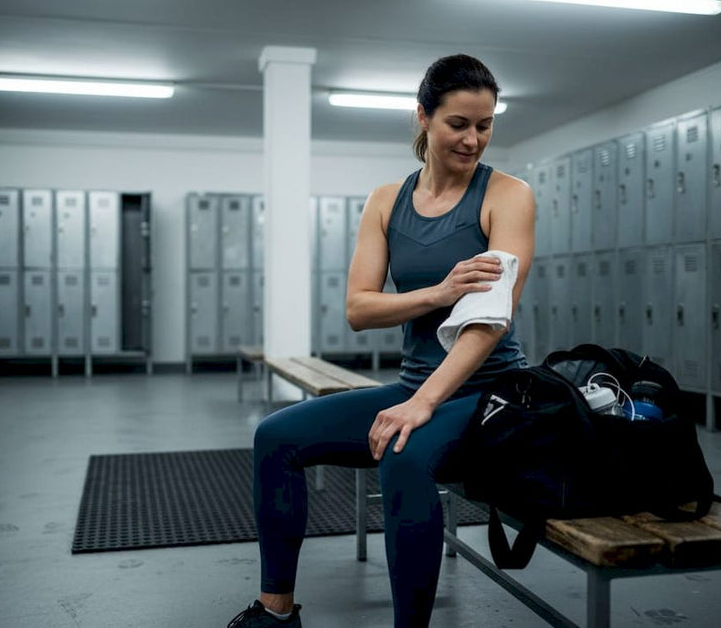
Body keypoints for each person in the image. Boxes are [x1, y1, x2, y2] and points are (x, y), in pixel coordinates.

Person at [228, 53, 536, 628]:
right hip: (417, 387)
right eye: (458, 124)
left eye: (485, 125)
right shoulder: (386, 201)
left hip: (489, 395)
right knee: (275, 437)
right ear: (423, 116)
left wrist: (422, 404)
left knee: (402, 453)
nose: (473, 140)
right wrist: (439, 292)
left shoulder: (508, 195)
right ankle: (275, 614)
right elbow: (359, 309)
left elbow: (490, 322)